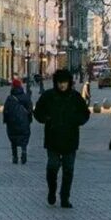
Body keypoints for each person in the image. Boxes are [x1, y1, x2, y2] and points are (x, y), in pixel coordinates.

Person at [33, 68, 90, 208]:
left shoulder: (75, 97)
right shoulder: (48, 96)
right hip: (53, 138)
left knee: (68, 170)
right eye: (59, 82)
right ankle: (52, 190)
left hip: (70, 139)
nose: (62, 85)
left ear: (69, 83)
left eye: (64, 82)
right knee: (52, 167)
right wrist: (46, 119)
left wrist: (76, 120)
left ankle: (65, 197)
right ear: (56, 83)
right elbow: (38, 112)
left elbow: (85, 114)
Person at [3, 81, 33, 164]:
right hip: (24, 122)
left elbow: (5, 111)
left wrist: (6, 121)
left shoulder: (10, 98)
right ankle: (24, 150)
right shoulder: (26, 97)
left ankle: (15, 156)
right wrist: (29, 120)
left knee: (13, 139)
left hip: (12, 123)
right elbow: (30, 109)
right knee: (24, 138)